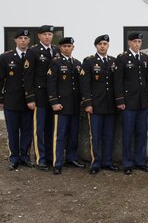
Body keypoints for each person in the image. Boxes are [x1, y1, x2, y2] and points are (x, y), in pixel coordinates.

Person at [114, 32, 148, 175]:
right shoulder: (122, 58)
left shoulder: (144, 57)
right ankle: (127, 163)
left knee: (141, 133)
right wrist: (120, 100)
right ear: (129, 43)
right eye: (135, 41)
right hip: (128, 103)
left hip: (142, 103)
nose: (137, 44)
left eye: (139, 42)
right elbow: (118, 81)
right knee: (128, 134)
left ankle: (140, 161)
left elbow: (147, 79)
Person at [80, 35, 119, 174]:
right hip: (95, 106)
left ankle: (107, 162)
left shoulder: (114, 61)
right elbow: (85, 85)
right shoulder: (89, 61)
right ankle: (95, 163)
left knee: (109, 135)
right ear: (96, 46)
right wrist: (87, 103)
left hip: (110, 106)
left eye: (105, 44)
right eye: (100, 44)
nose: (103, 46)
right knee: (95, 135)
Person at [24, 25, 60, 171]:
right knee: (39, 129)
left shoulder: (57, 50)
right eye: (44, 34)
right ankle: (41, 158)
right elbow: (28, 76)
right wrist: (30, 97)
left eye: (50, 34)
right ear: (39, 36)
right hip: (39, 96)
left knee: (52, 128)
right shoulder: (33, 51)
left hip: (54, 97)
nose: (47, 37)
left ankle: (52, 157)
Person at [47, 37, 85, 174]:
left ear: (73, 48)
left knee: (73, 134)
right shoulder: (55, 63)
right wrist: (54, 102)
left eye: (69, 46)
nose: (67, 48)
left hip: (74, 105)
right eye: (64, 46)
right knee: (60, 134)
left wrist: (83, 100)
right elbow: (51, 84)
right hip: (61, 106)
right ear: (60, 48)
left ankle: (71, 158)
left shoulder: (77, 63)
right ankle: (57, 162)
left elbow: (80, 85)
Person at [0, 29, 33, 170]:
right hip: (11, 101)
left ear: (29, 41)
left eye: (26, 38)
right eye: (20, 38)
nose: (23, 41)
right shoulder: (5, 57)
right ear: (15, 40)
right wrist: (0, 99)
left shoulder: (33, 56)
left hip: (28, 101)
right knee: (12, 131)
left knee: (27, 130)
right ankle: (14, 158)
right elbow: (0, 79)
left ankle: (25, 157)